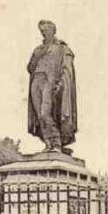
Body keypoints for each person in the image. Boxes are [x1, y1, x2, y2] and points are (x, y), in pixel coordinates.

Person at [27, 20, 78, 153]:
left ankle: (56, 142)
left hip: (50, 82)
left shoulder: (61, 48)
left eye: (46, 30)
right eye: (42, 31)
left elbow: (67, 68)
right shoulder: (38, 50)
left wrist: (62, 83)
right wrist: (36, 57)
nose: (44, 33)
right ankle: (49, 143)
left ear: (53, 30)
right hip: (36, 80)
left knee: (45, 113)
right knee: (39, 115)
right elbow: (30, 68)